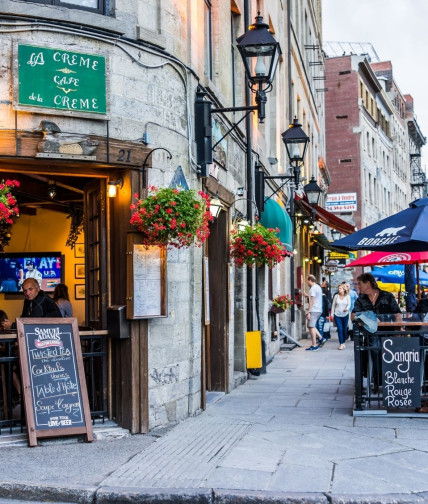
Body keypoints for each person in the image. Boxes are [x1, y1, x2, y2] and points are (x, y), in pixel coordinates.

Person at [305, 275, 326, 351]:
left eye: (307, 280)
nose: (307, 282)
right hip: (318, 309)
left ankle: (314, 345)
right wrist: (308, 296)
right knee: (311, 326)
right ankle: (320, 338)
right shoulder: (318, 287)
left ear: (310, 280)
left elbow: (312, 300)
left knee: (311, 326)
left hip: (314, 310)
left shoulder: (313, 288)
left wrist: (309, 311)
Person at [331, 283, 351, 350]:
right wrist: (332, 314)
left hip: (345, 315)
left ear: (344, 289)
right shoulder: (336, 296)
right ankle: (341, 343)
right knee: (340, 329)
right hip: (337, 315)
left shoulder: (347, 296)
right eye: (338, 288)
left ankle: (344, 341)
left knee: (344, 329)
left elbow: (349, 305)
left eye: (340, 288)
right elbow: (333, 305)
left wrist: (347, 309)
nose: (339, 289)